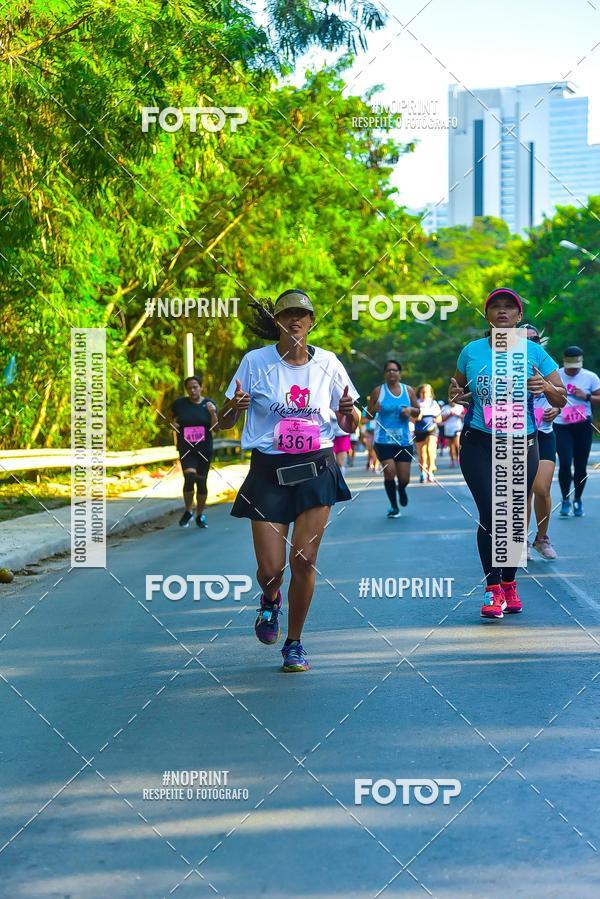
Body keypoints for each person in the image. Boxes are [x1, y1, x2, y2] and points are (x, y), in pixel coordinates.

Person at [217, 289, 359, 673]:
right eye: (287, 315)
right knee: (270, 570)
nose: (295, 320)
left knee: (304, 559)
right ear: (276, 322)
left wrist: (349, 414)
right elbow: (225, 422)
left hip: (316, 468)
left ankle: (294, 643)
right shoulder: (254, 362)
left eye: (302, 315)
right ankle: (270, 599)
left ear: (312, 322)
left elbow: (348, 423)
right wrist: (233, 407)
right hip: (268, 471)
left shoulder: (329, 363)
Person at [449, 287, 566, 620]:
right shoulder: (471, 351)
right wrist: (456, 395)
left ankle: (510, 583)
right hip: (478, 442)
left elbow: (561, 399)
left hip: (521, 442)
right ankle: (492, 588)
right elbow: (456, 390)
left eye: (508, 308)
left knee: (513, 518)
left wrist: (545, 387)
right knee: (490, 512)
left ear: (518, 317)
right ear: (487, 315)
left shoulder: (533, 352)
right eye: (495, 307)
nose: (502, 312)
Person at [524, 325, 560, 560]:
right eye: (523, 339)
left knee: (541, 488)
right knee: (522, 490)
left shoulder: (547, 363)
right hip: (518, 436)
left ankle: (542, 537)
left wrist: (556, 408)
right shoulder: (505, 365)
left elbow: (561, 395)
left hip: (544, 433)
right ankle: (521, 541)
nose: (530, 342)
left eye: (534, 338)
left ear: (540, 341)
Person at [367, 360, 419, 518]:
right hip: (383, 441)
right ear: (384, 374)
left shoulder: (408, 390)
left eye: (395, 370)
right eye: (388, 370)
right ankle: (394, 506)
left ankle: (402, 489)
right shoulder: (378, 391)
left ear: (399, 373)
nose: (392, 373)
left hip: (403, 441)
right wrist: (374, 410)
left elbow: (417, 411)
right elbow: (368, 415)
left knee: (404, 478)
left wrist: (410, 410)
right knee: (389, 472)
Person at [553, 345, 600, 518]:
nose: (572, 372)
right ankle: (565, 499)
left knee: (581, 465)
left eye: (575, 369)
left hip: (582, 425)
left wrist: (586, 396)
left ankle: (578, 499)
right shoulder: (556, 375)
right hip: (561, 424)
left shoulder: (590, 377)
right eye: (569, 368)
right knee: (565, 462)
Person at [171, 374, 217, 528]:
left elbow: (215, 428)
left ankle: (200, 514)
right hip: (186, 448)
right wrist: (173, 426)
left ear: (201, 388)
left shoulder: (209, 404)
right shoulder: (179, 404)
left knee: (201, 481)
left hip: (204, 448)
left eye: (195, 387)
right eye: (189, 388)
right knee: (189, 477)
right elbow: (170, 421)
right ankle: (188, 510)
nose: (192, 390)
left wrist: (212, 413)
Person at [414, 384, 442, 483]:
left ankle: (430, 472)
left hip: (431, 430)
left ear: (430, 393)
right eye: (422, 392)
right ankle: (423, 472)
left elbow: (439, 419)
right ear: (419, 393)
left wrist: (435, 418)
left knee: (430, 450)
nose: (424, 394)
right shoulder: (415, 404)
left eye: (426, 392)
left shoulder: (433, 404)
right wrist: (417, 417)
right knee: (421, 454)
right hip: (419, 430)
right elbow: (410, 418)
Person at [440, 401, 464, 467]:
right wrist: (449, 415)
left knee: (457, 444)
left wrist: (457, 415)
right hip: (448, 429)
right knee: (451, 446)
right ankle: (452, 460)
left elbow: (464, 417)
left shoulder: (460, 407)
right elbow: (442, 419)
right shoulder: (444, 408)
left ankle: (458, 458)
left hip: (457, 428)